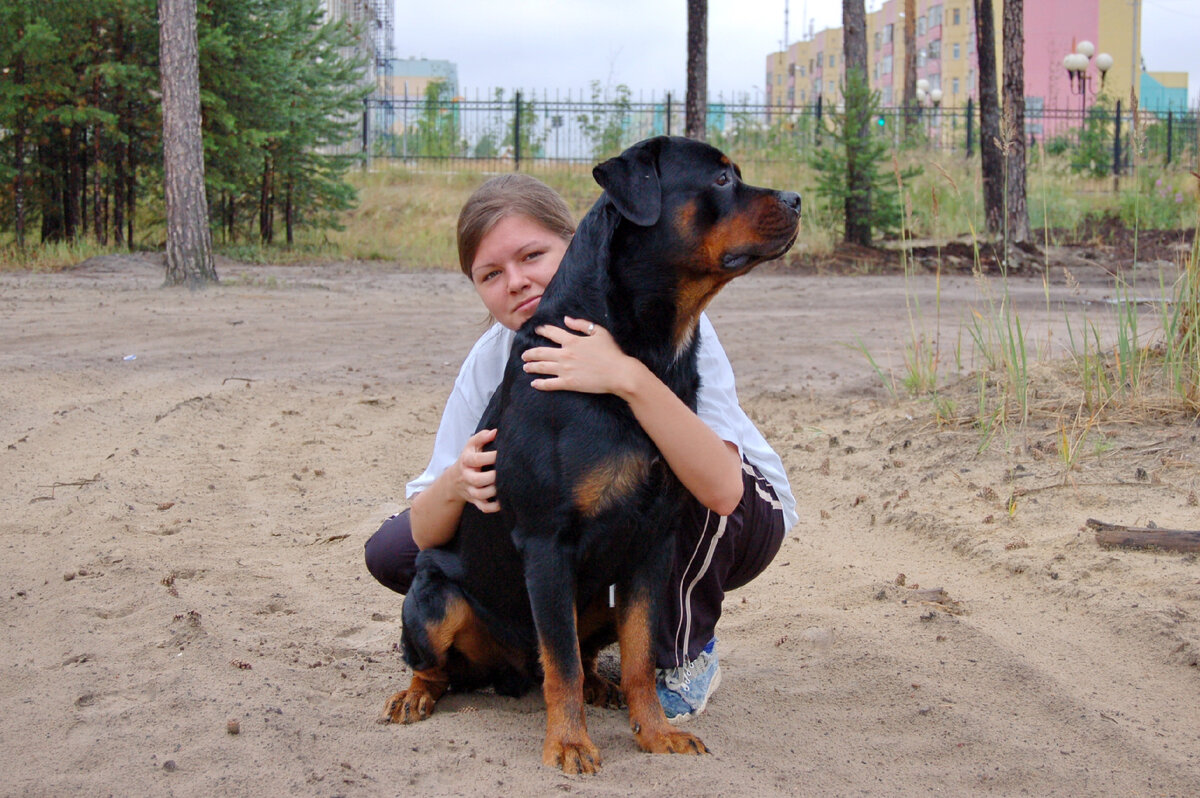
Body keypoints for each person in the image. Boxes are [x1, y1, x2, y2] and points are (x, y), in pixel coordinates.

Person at [365, 173, 798, 721]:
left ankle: (682, 652)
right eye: (491, 274)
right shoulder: (494, 357)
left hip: (737, 512)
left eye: (532, 255)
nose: (517, 282)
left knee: (663, 484)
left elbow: (720, 486)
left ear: (575, 243)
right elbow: (429, 532)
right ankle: (518, 647)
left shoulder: (666, 322)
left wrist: (626, 375)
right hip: (591, 530)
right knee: (395, 550)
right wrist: (456, 480)